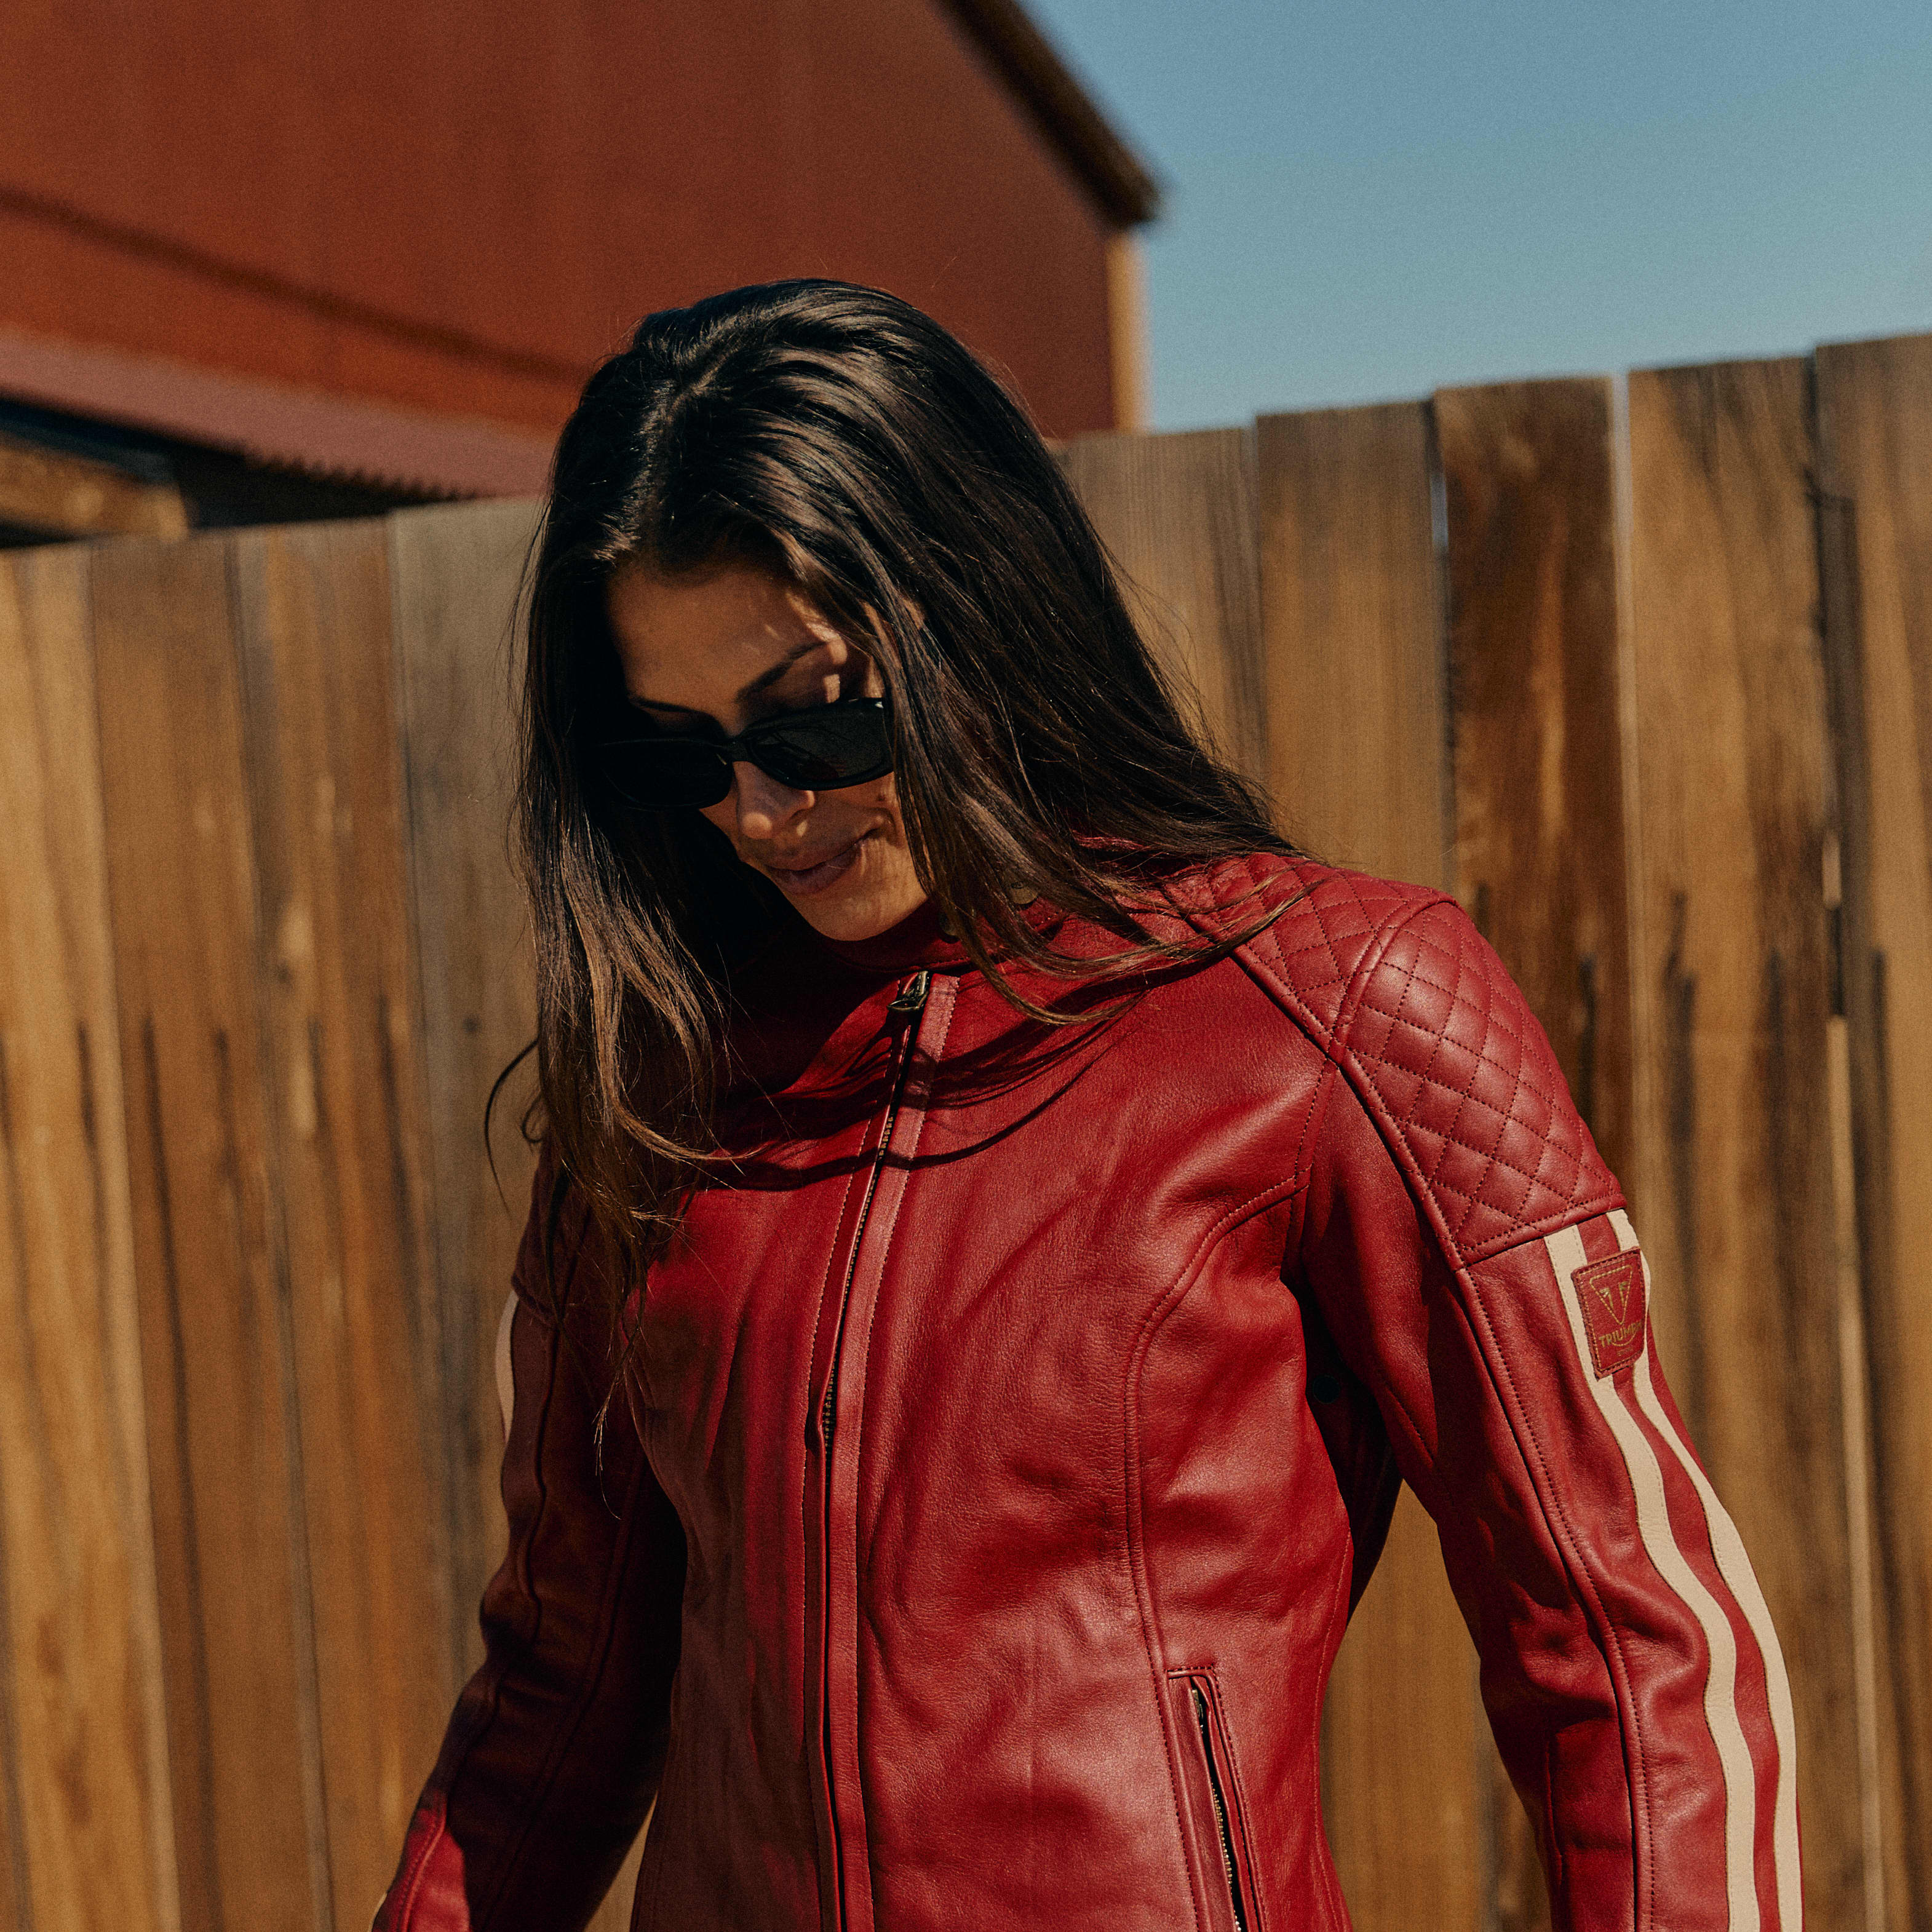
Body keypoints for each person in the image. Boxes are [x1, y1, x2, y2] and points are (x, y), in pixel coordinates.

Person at [375, 281, 1796, 1932]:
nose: (762, 812)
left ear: (978, 604)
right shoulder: (668, 1089)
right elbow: (555, 1696)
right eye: (680, 753)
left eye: (815, 715)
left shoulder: (1334, 1005)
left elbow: (1635, 1656)